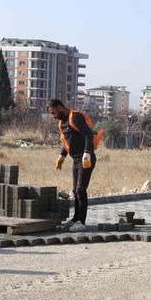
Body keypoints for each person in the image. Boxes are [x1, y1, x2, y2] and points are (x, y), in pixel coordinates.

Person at [47, 99, 102, 232]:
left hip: (85, 159)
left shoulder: (75, 117)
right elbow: (68, 142)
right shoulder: (63, 123)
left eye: (54, 112)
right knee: (75, 191)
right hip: (76, 159)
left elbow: (88, 134)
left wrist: (87, 152)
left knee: (81, 190)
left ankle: (81, 222)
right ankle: (76, 219)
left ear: (60, 107)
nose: (53, 116)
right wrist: (62, 157)